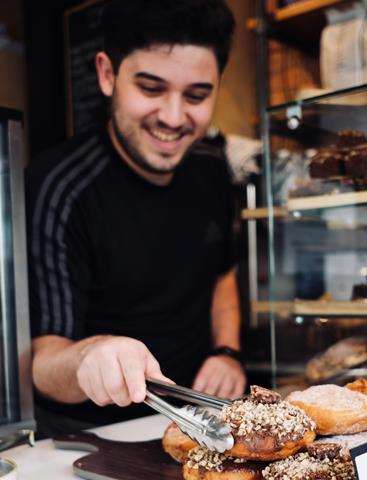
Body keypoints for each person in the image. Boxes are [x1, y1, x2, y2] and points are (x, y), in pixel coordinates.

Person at [25, 0, 246, 437]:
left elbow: (223, 277)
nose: (173, 117)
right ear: (108, 75)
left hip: (197, 422)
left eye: (197, 96)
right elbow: (42, 359)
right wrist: (94, 355)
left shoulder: (212, 168)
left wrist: (227, 351)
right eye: (151, 88)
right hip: (90, 436)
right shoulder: (59, 187)